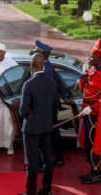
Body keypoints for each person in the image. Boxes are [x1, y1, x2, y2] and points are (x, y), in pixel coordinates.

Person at [18, 53, 59, 195]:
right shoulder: (52, 83)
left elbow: (23, 111)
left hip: (31, 129)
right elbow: (55, 106)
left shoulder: (28, 84)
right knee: (49, 160)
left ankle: (30, 192)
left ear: (32, 65)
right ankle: (47, 189)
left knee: (32, 162)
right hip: (47, 127)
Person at [34, 40, 74, 169]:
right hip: (51, 106)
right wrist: (64, 95)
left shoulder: (45, 69)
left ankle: (45, 161)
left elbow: (42, 89)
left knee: (47, 133)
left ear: (41, 54)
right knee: (54, 132)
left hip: (45, 107)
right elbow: (59, 81)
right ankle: (58, 158)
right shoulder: (49, 65)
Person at [78, 37, 101, 184]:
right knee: (87, 143)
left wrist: (92, 108)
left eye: (92, 56)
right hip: (87, 110)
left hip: (94, 115)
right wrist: (84, 76)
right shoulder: (93, 71)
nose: (90, 58)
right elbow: (83, 90)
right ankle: (92, 169)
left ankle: (97, 172)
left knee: (93, 143)